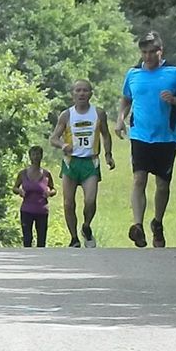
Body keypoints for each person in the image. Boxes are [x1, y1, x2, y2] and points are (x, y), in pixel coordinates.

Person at [115, 31, 176, 248]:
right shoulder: (133, 74)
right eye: (144, 52)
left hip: (166, 137)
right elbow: (126, 98)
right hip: (140, 135)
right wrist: (120, 119)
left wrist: (175, 100)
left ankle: (157, 223)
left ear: (161, 51)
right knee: (138, 179)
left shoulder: (174, 73)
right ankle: (138, 226)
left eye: (153, 52)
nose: (148, 56)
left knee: (162, 185)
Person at [49, 79, 115, 248]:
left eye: (85, 90)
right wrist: (63, 145)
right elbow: (53, 138)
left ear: (91, 94)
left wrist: (108, 154)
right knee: (68, 203)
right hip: (71, 163)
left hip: (90, 162)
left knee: (90, 201)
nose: (81, 94)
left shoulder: (99, 113)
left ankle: (86, 226)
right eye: (78, 90)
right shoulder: (66, 115)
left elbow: (106, 135)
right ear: (72, 94)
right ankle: (74, 238)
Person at [12, 145, 56, 247]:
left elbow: (54, 189)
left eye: (38, 154)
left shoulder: (46, 174)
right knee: (27, 240)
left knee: (41, 241)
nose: (36, 157)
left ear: (41, 156)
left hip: (42, 210)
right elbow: (14, 188)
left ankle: (40, 261)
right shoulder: (23, 174)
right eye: (34, 154)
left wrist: (49, 193)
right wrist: (20, 191)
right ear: (30, 156)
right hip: (27, 210)